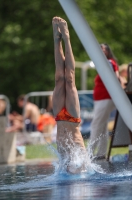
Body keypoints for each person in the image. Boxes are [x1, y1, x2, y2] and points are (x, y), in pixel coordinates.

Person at [52, 16, 87, 174]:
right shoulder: (80, 162)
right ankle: (66, 37)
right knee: (69, 80)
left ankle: (57, 38)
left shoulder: (78, 162)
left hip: (61, 117)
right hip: (72, 117)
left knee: (60, 79)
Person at [89, 43, 120, 160]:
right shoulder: (107, 63)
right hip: (103, 99)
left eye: (102, 49)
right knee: (101, 126)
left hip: (105, 98)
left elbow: (116, 77)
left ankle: (90, 152)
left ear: (107, 51)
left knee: (96, 125)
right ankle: (101, 152)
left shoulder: (109, 63)